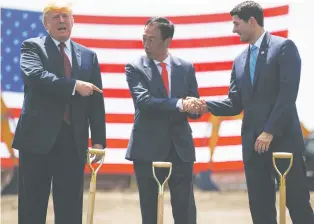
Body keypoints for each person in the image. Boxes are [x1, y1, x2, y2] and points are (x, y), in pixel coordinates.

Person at [188, 1, 314, 223]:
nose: (234, 29)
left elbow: (287, 95)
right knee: (260, 207)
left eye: (236, 24)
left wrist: (269, 131)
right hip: (252, 145)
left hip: (283, 141)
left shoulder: (284, 47)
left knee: (297, 203)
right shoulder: (239, 60)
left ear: (252, 21)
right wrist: (205, 104)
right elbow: (235, 104)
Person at [12, 2, 106, 223]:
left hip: (73, 141)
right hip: (36, 140)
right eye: (55, 17)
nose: (61, 21)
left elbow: (96, 100)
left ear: (73, 21)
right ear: (46, 23)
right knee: (32, 207)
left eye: (65, 16)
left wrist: (99, 141)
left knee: (71, 208)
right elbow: (35, 76)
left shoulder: (88, 56)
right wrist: (73, 85)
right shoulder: (32, 47)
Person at [125, 16, 203, 224]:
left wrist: (196, 107)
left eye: (151, 39)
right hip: (147, 149)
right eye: (144, 38)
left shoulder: (185, 67)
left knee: (185, 210)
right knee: (150, 211)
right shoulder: (135, 67)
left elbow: (192, 105)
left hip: (180, 148)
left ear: (167, 41)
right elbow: (144, 102)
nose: (145, 43)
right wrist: (180, 104)